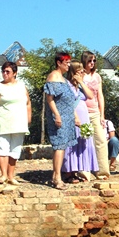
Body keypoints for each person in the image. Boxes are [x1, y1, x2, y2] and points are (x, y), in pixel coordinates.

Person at [0, 61, 31, 185]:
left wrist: (29, 118)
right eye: (3, 71)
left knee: (15, 150)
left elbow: (28, 102)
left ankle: (11, 176)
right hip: (2, 121)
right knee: (2, 149)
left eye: (8, 71)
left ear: (15, 73)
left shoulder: (22, 86)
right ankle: (3, 175)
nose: (5, 74)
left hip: (18, 122)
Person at [43, 52, 78, 190]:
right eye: (66, 62)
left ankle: (56, 175)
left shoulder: (63, 78)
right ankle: (56, 177)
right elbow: (50, 99)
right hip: (59, 117)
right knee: (59, 146)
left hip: (67, 116)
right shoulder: (53, 77)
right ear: (59, 62)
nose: (69, 65)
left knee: (63, 146)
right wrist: (57, 115)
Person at [62, 60, 97, 183]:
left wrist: (81, 82)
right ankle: (68, 172)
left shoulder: (80, 86)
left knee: (81, 143)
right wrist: (75, 116)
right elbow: (67, 102)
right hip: (73, 117)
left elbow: (90, 96)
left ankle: (77, 170)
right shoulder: (66, 85)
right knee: (71, 143)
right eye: (80, 71)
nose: (82, 73)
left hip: (84, 118)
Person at [81, 51, 110, 179]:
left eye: (94, 61)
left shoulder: (97, 76)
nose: (92, 63)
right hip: (82, 111)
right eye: (89, 61)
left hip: (95, 112)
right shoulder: (80, 76)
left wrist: (102, 114)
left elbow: (100, 95)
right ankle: (84, 171)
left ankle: (102, 170)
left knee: (101, 140)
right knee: (84, 141)